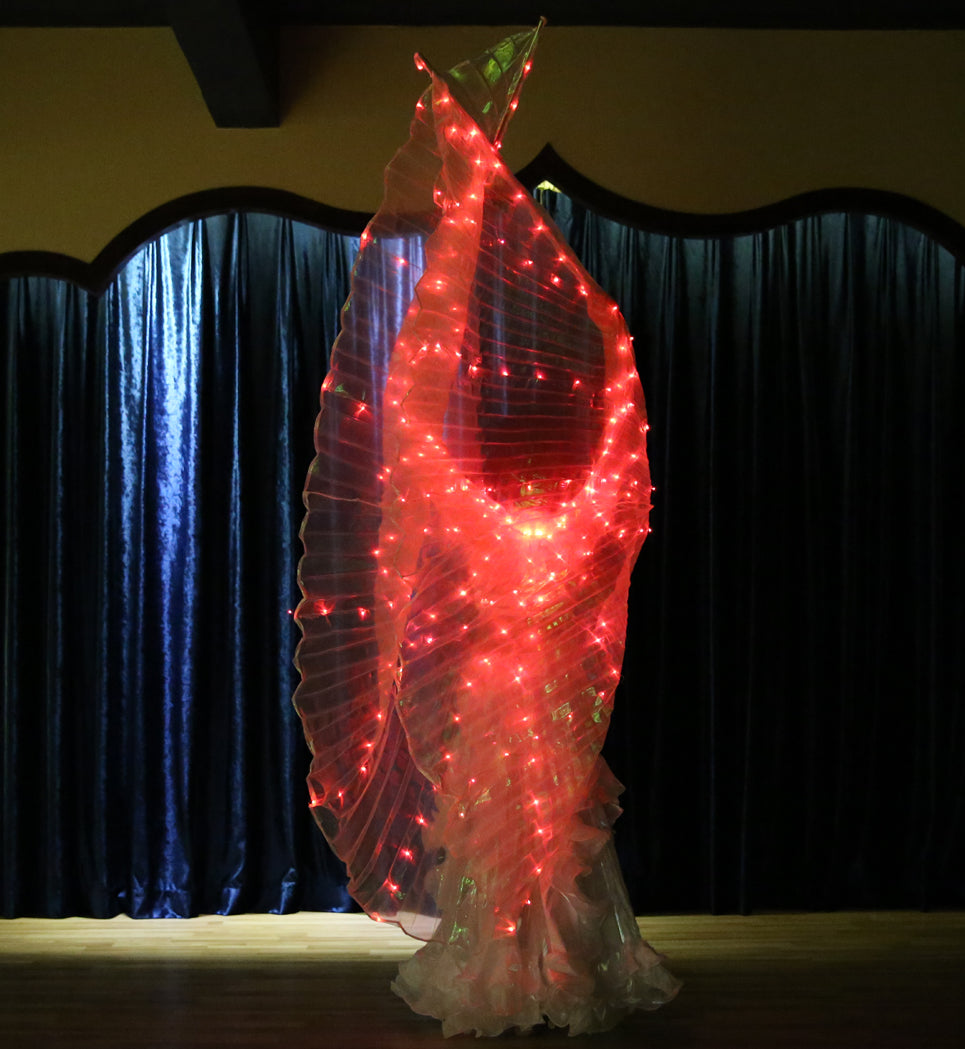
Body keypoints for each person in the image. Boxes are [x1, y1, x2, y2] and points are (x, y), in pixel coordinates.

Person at [293, 25, 680, 1036]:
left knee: (526, 841)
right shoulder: (566, 523)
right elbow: (595, 496)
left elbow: (426, 452)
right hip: (528, 709)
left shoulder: (516, 520)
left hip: (518, 707)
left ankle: (539, 969)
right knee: (539, 841)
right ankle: (550, 970)